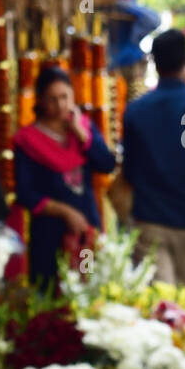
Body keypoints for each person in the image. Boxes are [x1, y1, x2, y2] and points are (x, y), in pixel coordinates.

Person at [120, 29, 185, 290]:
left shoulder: (136, 110)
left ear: (154, 62)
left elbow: (129, 170)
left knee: (159, 306)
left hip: (148, 220)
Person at [13, 66, 116, 291]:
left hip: (86, 232)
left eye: (64, 97)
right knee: (51, 296)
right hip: (48, 237)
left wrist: (81, 135)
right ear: (39, 101)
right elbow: (25, 193)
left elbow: (107, 164)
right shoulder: (27, 140)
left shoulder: (85, 128)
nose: (60, 105)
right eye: (52, 99)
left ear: (73, 96)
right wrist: (65, 212)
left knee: (89, 287)